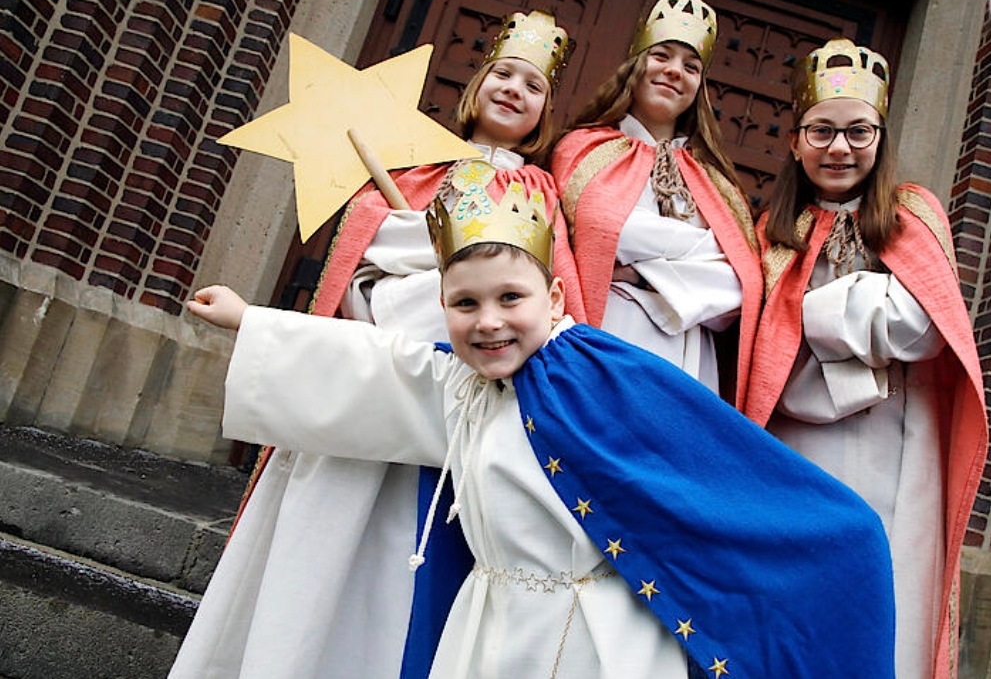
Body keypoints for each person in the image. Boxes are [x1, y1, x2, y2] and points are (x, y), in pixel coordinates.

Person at [181, 178, 897, 679]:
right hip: (487, 627)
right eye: (465, 304)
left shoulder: (601, 373)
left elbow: (718, 464)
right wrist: (250, 320)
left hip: (595, 639)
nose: (488, 321)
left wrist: (843, 536)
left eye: (510, 298)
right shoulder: (462, 385)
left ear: (554, 297)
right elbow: (381, 364)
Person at [169, 11, 585, 679]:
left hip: (454, 408)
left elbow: (538, 296)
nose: (514, 89)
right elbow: (364, 271)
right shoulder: (414, 168)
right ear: (476, 85)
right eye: (503, 74)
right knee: (318, 553)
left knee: (399, 585)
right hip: (367, 387)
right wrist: (421, 267)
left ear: (545, 111)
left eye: (533, 85)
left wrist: (451, 281)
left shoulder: (540, 194)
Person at [745, 37, 988, 679]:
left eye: (858, 132)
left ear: (879, 139)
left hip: (898, 446)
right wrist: (863, 314)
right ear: (795, 141)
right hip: (798, 446)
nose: (840, 148)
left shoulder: (913, 215)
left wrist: (814, 312)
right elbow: (767, 352)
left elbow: (923, 327)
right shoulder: (773, 231)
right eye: (822, 131)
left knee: (889, 596)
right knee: (803, 596)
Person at [551, 0, 761, 409]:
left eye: (691, 66)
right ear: (636, 65)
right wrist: (695, 254)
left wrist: (638, 275)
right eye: (661, 55)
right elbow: (603, 228)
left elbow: (741, 282)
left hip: (688, 358)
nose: (674, 71)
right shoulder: (583, 148)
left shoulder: (714, 181)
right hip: (609, 334)